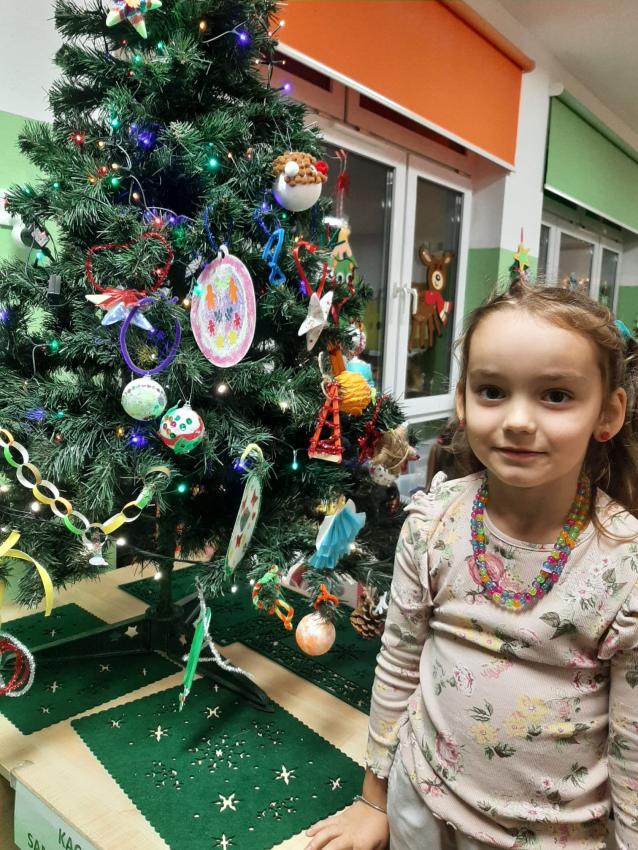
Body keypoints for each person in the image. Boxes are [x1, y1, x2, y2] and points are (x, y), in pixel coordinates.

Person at [305, 282, 638, 850]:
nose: (518, 420)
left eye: (556, 395)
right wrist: (373, 800)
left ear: (606, 414)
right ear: (462, 401)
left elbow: (631, 745)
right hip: (420, 806)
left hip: (553, 837)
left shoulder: (624, 565)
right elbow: (399, 662)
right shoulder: (432, 523)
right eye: (492, 391)